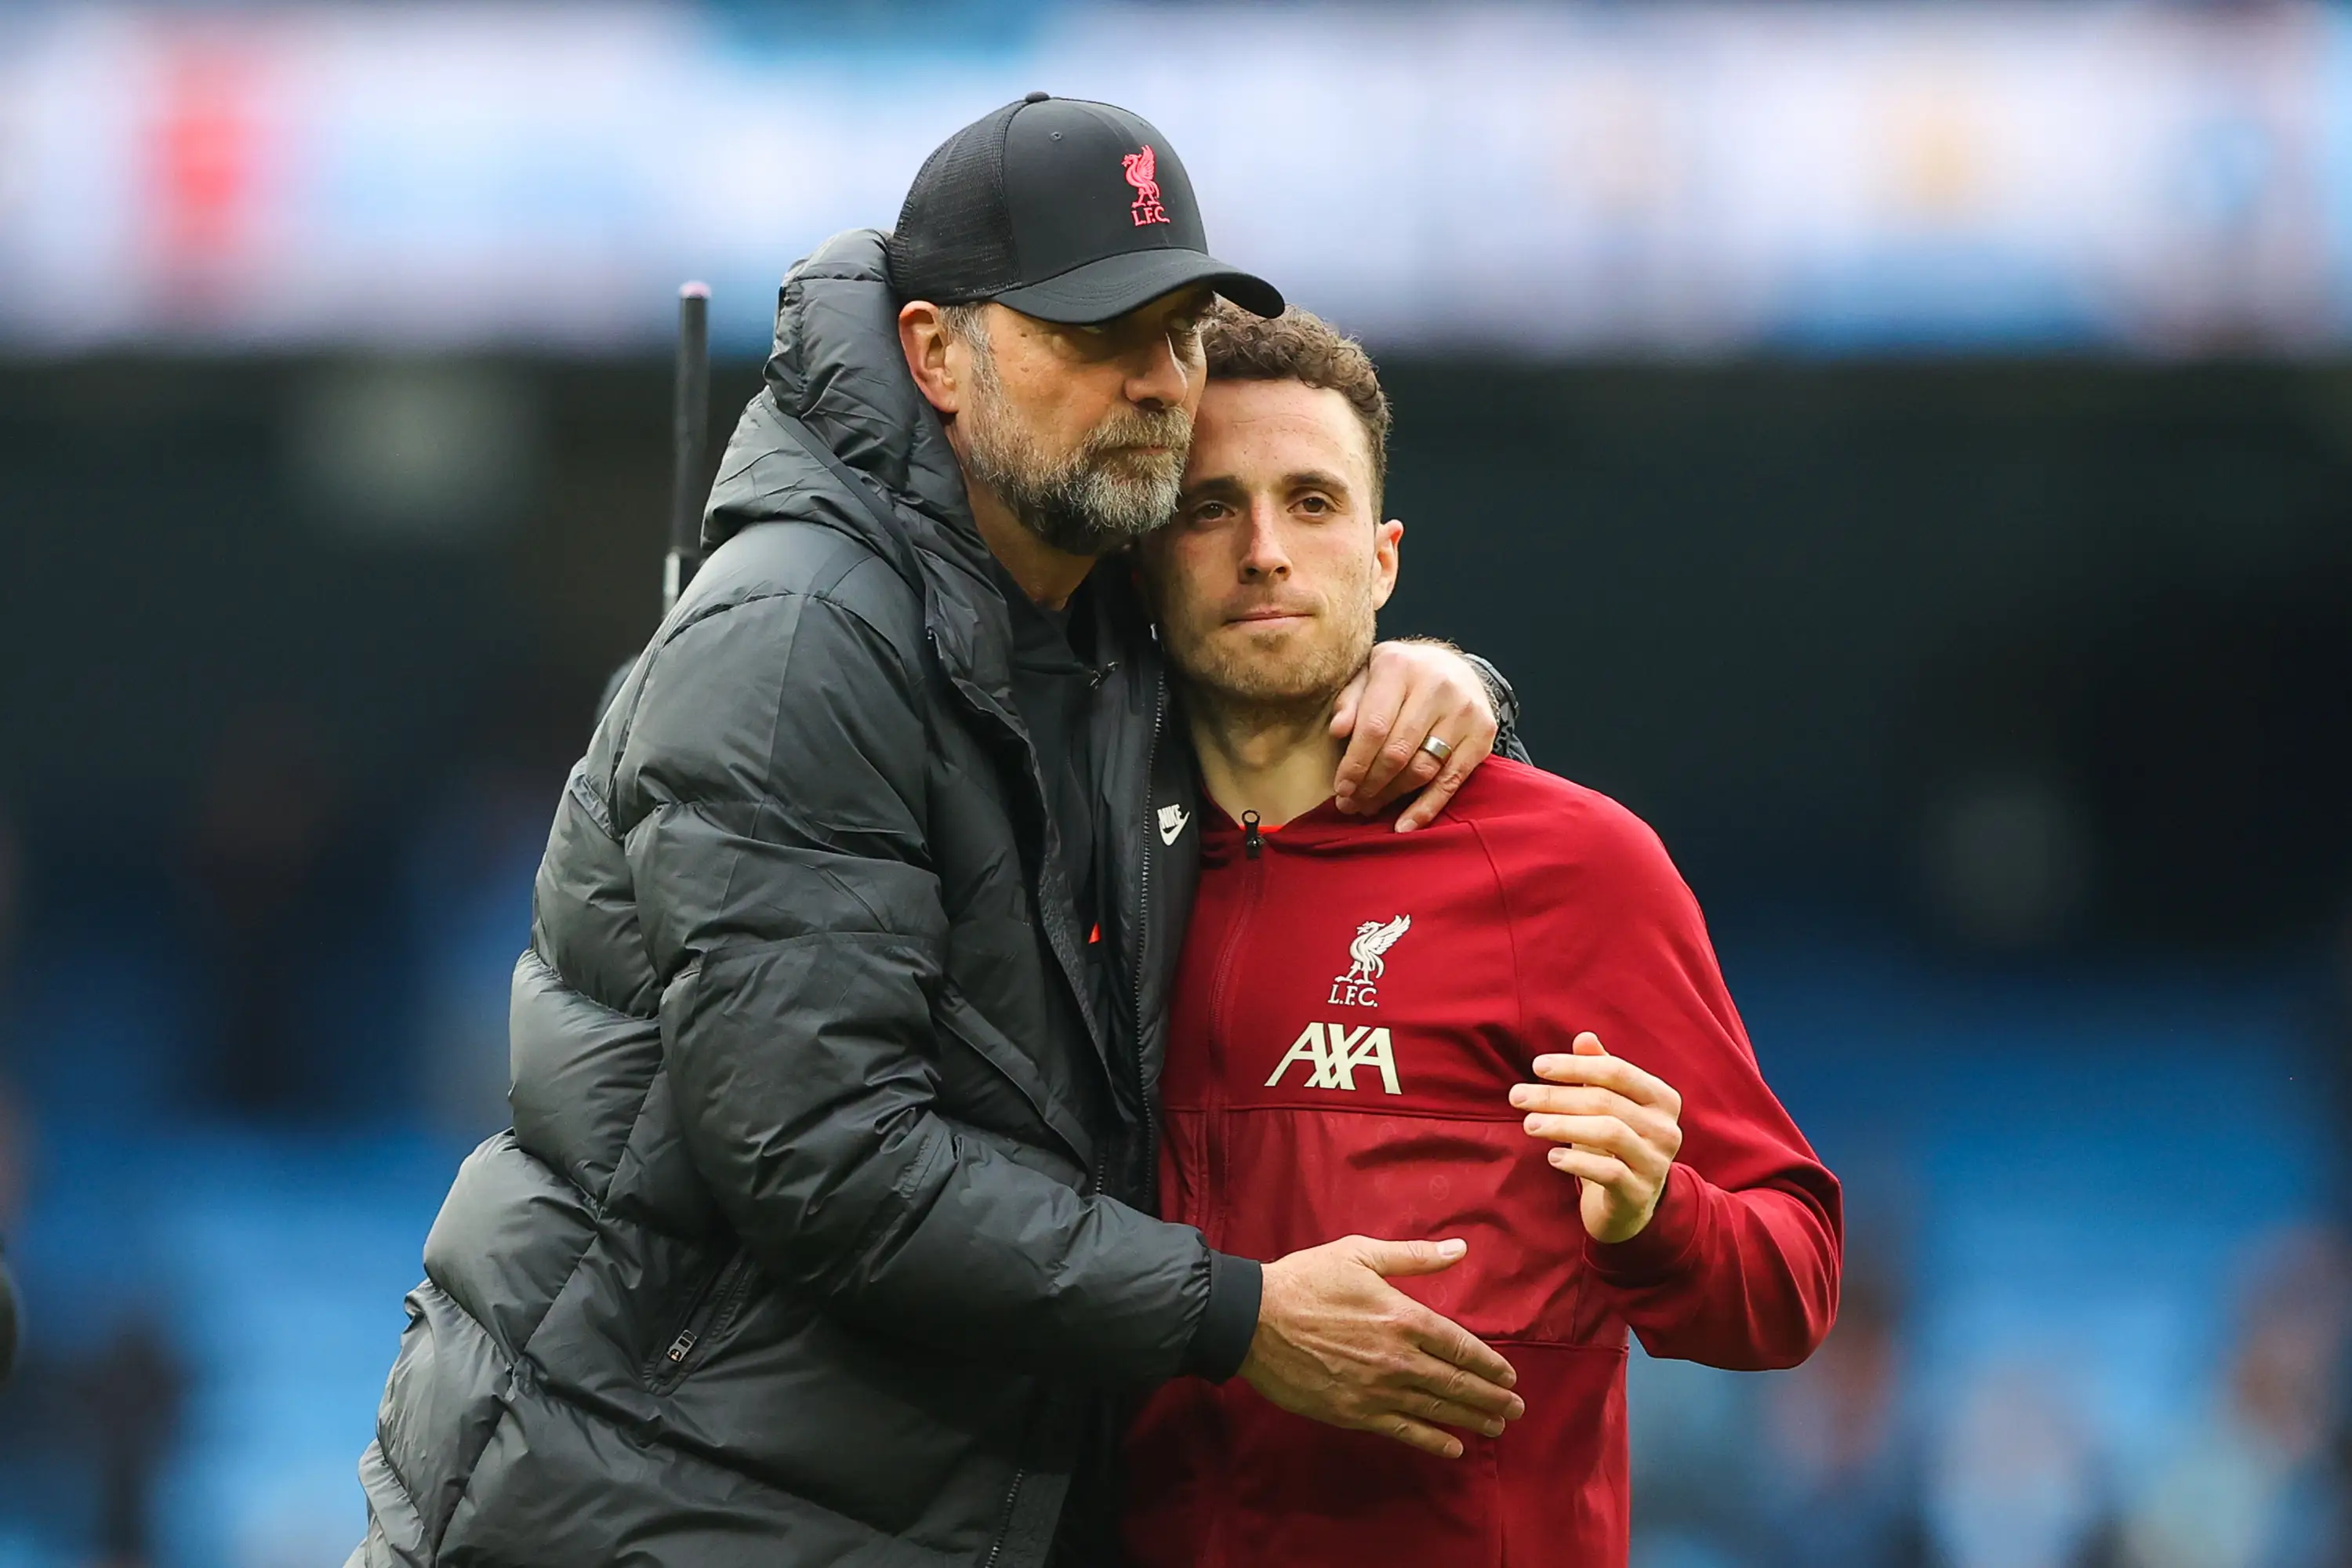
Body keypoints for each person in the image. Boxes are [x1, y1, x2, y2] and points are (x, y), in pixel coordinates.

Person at [350, 97, 1526, 1567]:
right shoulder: (796, 641)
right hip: (648, 1497)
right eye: (1099, 335)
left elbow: (1288, 677)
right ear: (933, 355)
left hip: (869, 1503)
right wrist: (1239, 1316)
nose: (1161, 382)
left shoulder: (1098, 595)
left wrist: (1430, 678)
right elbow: (823, 1158)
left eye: (1181, 333)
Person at [1118, 305, 1843, 1565]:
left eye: (1312, 502)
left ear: (1384, 557)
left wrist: (1651, 1214)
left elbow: (1792, 1285)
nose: (1265, 552)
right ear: (1145, 559)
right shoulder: (1081, 854)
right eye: (1208, 508)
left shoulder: (1572, 865)